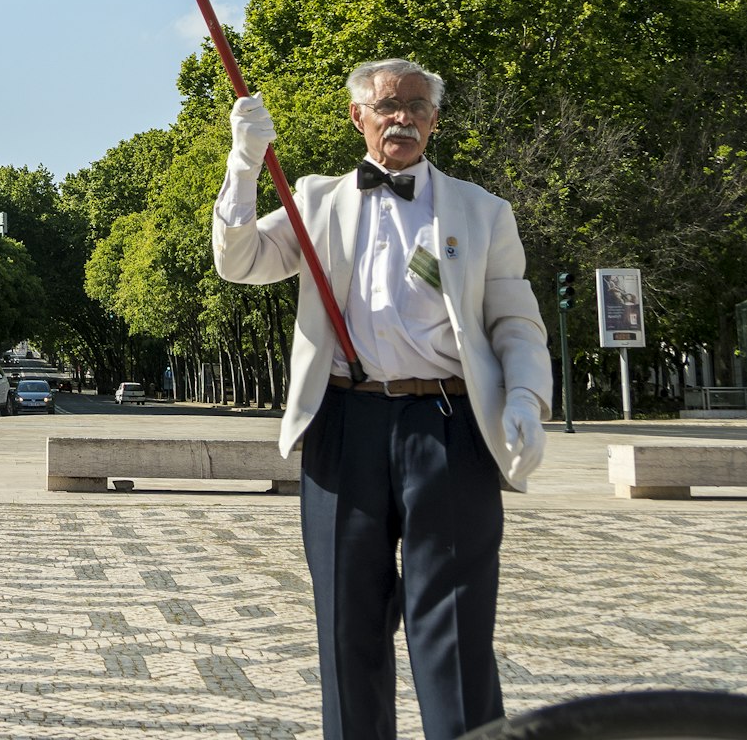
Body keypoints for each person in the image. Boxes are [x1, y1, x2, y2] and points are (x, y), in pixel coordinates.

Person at [214, 57, 553, 740]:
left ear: (434, 120)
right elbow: (240, 261)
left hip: (450, 428)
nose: (403, 117)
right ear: (358, 117)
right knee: (348, 626)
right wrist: (244, 165)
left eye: (418, 106)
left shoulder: (485, 213)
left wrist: (525, 394)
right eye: (388, 106)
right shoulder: (313, 200)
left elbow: (515, 321)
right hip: (343, 425)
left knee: (454, 631)